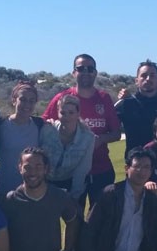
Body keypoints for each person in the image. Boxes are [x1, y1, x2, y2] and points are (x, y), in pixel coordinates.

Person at [42, 54, 121, 207]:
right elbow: (44, 125)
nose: (85, 72)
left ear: (95, 73)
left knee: (100, 220)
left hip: (100, 169)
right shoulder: (62, 98)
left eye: (90, 68)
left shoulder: (104, 98)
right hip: (69, 172)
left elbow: (117, 133)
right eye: (80, 68)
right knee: (73, 219)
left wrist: (100, 140)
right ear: (74, 73)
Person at [0, 81, 58, 198]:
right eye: (23, 100)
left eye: (31, 101)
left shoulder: (40, 125)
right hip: (4, 190)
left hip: (32, 191)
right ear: (14, 100)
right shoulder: (0, 124)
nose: (27, 105)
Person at [115, 60, 157, 151]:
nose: (148, 79)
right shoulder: (124, 104)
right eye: (143, 76)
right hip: (136, 162)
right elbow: (109, 129)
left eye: (152, 76)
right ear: (136, 81)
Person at [40, 93, 95, 200]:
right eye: (63, 113)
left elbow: (82, 169)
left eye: (71, 112)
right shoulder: (47, 130)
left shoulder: (88, 138)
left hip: (69, 183)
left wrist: (74, 196)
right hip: (45, 182)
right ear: (57, 113)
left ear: (78, 113)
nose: (67, 117)